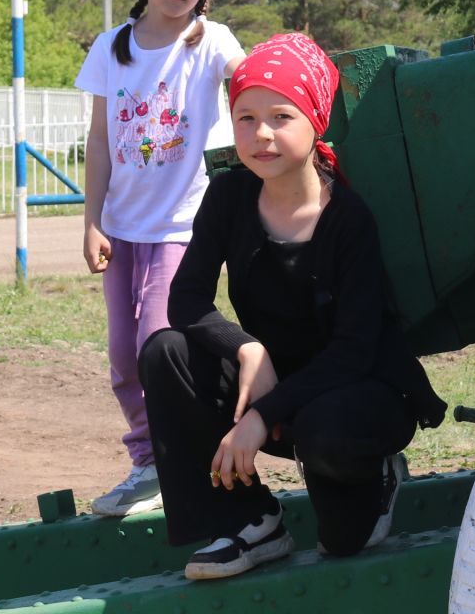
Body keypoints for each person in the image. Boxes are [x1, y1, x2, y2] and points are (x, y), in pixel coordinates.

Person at [139, 33, 446, 579]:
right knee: (167, 352)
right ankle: (248, 519)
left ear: (315, 121)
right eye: (245, 118)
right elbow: (186, 299)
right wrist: (248, 350)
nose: (261, 134)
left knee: (343, 542)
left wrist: (261, 416)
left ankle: (377, 476)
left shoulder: (348, 220)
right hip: (278, 385)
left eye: (281, 116)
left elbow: (354, 349)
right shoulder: (229, 197)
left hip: (353, 393)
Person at [75, 0, 244, 517]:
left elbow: (249, 82)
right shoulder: (112, 49)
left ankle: (178, 461)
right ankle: (147, 461)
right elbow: (99, 139)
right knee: (124, 357)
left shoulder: (212, 42)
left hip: (183, 227)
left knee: (157, 345)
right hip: (122, 229)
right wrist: (91, 217)